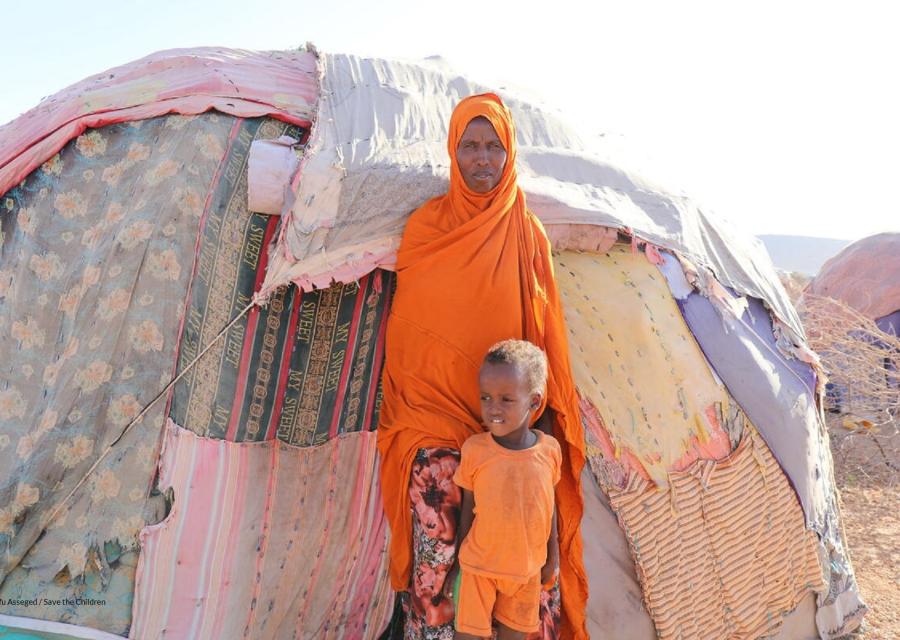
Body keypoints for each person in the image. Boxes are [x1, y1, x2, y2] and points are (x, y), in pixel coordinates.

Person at [377, 93, 588, 639]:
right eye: (469, 145)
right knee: (443, 536)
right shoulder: (427, 230)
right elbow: (411, 344)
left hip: (510, 426)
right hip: (433, 424)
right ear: (453, 150)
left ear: (509, 152)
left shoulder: (526, 235)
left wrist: (530, 424)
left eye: (494, 146)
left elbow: (543, 338)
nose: (482, 159)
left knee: (524, 553)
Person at [448, 340, 561, 640]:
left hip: (526, 573)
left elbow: (549, 508)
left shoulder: (549, 451)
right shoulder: (475, 450)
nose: (493, 408)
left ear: (534, 402)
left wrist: (553, 557)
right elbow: (466, 514)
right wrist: (458, 566)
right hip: (478, 569)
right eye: (486, 398)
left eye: (506, 400)